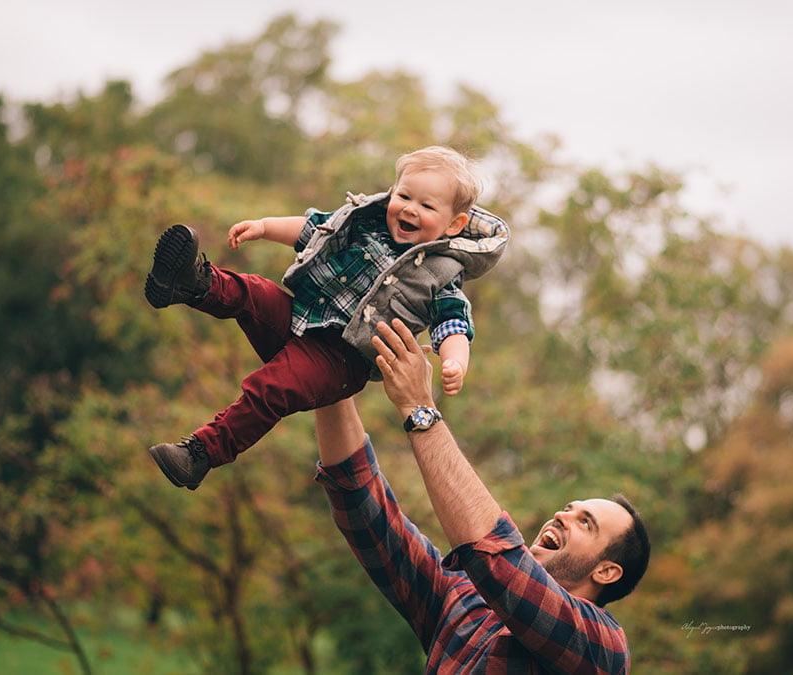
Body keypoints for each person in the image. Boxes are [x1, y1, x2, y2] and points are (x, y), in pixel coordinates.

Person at [145, 146, 510, 490]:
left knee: (272, 386)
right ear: (392, 191)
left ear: (453, 224)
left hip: (341, 360)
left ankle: (199, 455)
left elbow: (454, 324)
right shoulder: (365, 223)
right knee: (253, 291)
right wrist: (264, 226)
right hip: (303, 316)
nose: (410, 209)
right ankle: (190, 285)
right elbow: (314, 228)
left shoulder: (441, 272)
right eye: (404, 197)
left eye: (427, 206)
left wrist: (454, 362)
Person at [313, 319, 650, 674]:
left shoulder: (601, 648)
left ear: (607, 571)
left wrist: (419, 406)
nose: (562, 516)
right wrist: (328, 374)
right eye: (569, 508)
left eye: (586, 523)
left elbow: (496, 558)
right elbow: (366, 510)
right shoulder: (464, 598)